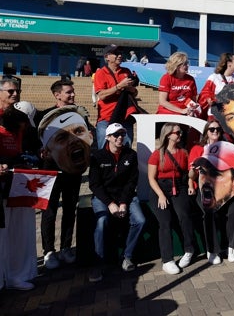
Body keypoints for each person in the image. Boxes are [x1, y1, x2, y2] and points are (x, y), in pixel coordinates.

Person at [88, 123, 145, 282]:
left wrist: (124, 202)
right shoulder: (97, 156)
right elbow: (94, 185)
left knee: (140, 220)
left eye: (122, 134)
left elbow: (131, 182)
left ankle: (127, 256)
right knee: (101, 223)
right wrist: (110, 203)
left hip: (125, 197)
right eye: (116, 135)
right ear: (107, 137)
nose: (120, 137)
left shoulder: (131, 155)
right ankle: (97, 264)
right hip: (104, 198)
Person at [38, 103, 93, 270]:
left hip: (72, 174)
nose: (72, 95)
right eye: (68, 92)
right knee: (49, 212)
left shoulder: (78, 113)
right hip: (49, 173)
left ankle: (66, 247)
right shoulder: (45, 114)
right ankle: (49, 251)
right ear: (57, 95)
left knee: (70, 209)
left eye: (77, 132)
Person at [0, 77, 38, 291]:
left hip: (18, 181)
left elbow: (31, 146)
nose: (15, 94)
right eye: (10, 91)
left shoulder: (21, 118)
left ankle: (16, 275)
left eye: (17, 91)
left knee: (18, 231)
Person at [147, 123, 195, 275]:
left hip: (179, 187)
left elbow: (188, 173)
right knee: (165, 221)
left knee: (184, 215)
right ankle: (167, 260)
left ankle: (189, 250)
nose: (180, 135)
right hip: (160, 189)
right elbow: (151, 178)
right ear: (168, 134)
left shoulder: (184, 153)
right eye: (177, 132)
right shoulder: (157, 154)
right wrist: (161, 195)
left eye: (180, 132)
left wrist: (190, 184)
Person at [192, 141, 234, 262]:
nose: (207, 179)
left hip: (232, 195)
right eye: (204, 172)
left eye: (216, 174)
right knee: (209, 211)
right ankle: (212, 250)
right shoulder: (199, 148)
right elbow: (192, 175)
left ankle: (232, 247)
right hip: (204, 196)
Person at [94, 44, 139, 148]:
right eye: (115, 53)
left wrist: (129, 88)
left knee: (126, 149)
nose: (119, 56)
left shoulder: (126, 71)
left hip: (125, 116)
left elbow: (135, 93)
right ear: (107, 57)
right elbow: (102, 95)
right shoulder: (101, 73)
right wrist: (119, 86)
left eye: (120, 53)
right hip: (106, 118)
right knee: (104, 150)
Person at [157, 52, 199, 116]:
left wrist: (192, 110)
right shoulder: (166, 78)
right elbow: (162, 101)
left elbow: (193, 101)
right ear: (176, 66)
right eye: (185, 64)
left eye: (187, 63)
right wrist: (181, 111)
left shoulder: (191, 79)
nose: (187, 66)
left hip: (185, 112)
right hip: (168, 112)